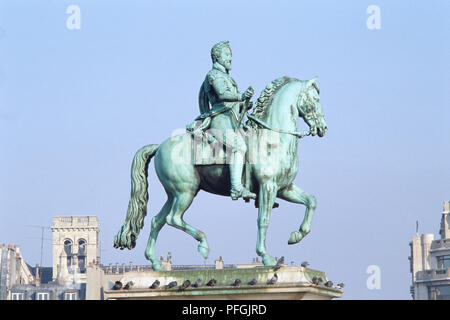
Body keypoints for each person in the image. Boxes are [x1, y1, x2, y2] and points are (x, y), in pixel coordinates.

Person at [197, 41, 256, 201]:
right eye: (227, 55)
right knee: (239, 146)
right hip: (220, 120)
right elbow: (222, 95)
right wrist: (240, 96)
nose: (230, 58)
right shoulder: (213, 75)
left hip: (232, 120)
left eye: (230, 55)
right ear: (217, 57)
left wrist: (244, 104)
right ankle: (236, 188)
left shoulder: (227, 77)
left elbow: (233, 102)